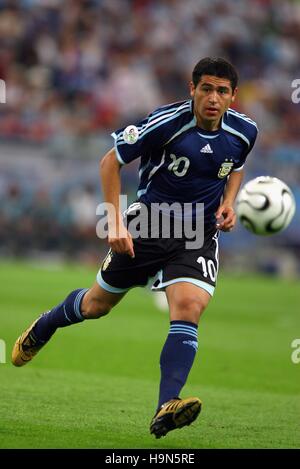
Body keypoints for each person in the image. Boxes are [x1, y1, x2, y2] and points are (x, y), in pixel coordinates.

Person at [12, 57, 258, 439]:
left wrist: (229, 201)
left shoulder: (244, 131)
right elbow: (110, 162)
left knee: (189, 307)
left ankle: (166, 406)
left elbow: (235, 165)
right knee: (96, 306)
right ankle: (46, 325)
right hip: (147, 226)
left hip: (197, 233)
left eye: (222, 91)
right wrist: (115, 220)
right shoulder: (166, 123)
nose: (213, 97)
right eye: (206, 88)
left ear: (233, 96)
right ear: (192, 89)